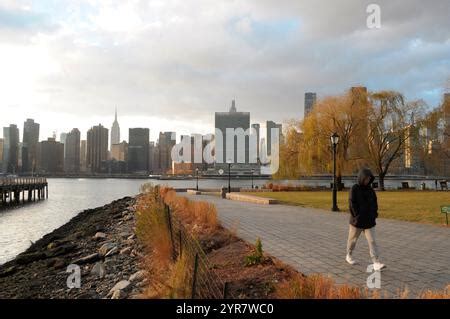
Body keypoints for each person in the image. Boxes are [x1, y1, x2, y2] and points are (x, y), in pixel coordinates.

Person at [346, 168, 386, 271]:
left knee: (372, 241)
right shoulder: (354, 188)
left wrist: (374, 214)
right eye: (366, 178)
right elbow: (352, 203)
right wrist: (357, 215)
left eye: (369, 179)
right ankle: (349, 255)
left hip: (369, 221)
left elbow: (375, 203)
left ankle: (376, 262)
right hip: (357, 222)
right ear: (361, 178)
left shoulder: (371, 190)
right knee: (353, 240)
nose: (367, 180)